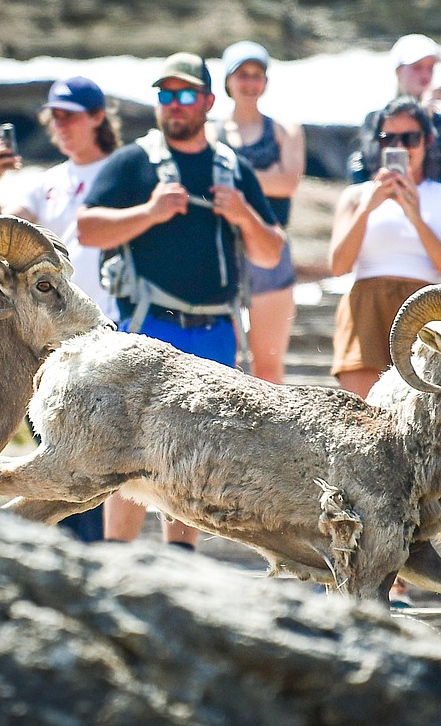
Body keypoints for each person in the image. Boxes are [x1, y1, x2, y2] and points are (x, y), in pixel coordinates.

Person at [78, 52, 285, 550]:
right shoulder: (132, 162)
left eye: (185, 94)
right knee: (127, 447)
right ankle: (115, 559)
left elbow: (271, 249)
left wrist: (242, 216)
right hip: (150, 327)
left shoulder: (231, 168)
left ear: (209, 102)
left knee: (193, 450)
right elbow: (86, 228)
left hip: (214, 330)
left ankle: (180, 558)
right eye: (165, 95)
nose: (173, 104)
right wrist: (149, 212)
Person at [0, 75, 122, 543]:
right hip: (50, 335)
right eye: (53, 115)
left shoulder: (124, 171)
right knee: (51, 446)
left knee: (96, 452)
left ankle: (96, 547)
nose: (59, 124)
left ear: (97, 117)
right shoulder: (50, 183)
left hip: (106, 328)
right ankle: (66, 549)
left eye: (69, 115)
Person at [329, 95, 441, 400]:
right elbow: (339, 265)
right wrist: (368, 208)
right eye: (389, 138)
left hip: (426, 308)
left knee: (424, 415)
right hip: (365, 307)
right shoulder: (356, 197)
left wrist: (415, 216)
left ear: (427, 141)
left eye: (410, 138)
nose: (400, 146)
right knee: (361, 415)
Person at [347, 34, 441, 283]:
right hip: (387, 224)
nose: (425, 75)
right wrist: (418, 118)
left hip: (436, 223)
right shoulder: (377, 120)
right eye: (417, 68)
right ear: (398, 72)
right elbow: (368, 167)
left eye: (430, 67)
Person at [214, 40, 306, 384]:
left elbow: (289, 182)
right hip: (222, 249)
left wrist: (236, 185)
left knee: (269, 366)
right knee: (224, 362)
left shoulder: (285, 129)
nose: (250, 83)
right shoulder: (213, 131)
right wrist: (265, 179)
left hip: (270, 246)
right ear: (228, 81)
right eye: (243, 75)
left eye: (257, 75)